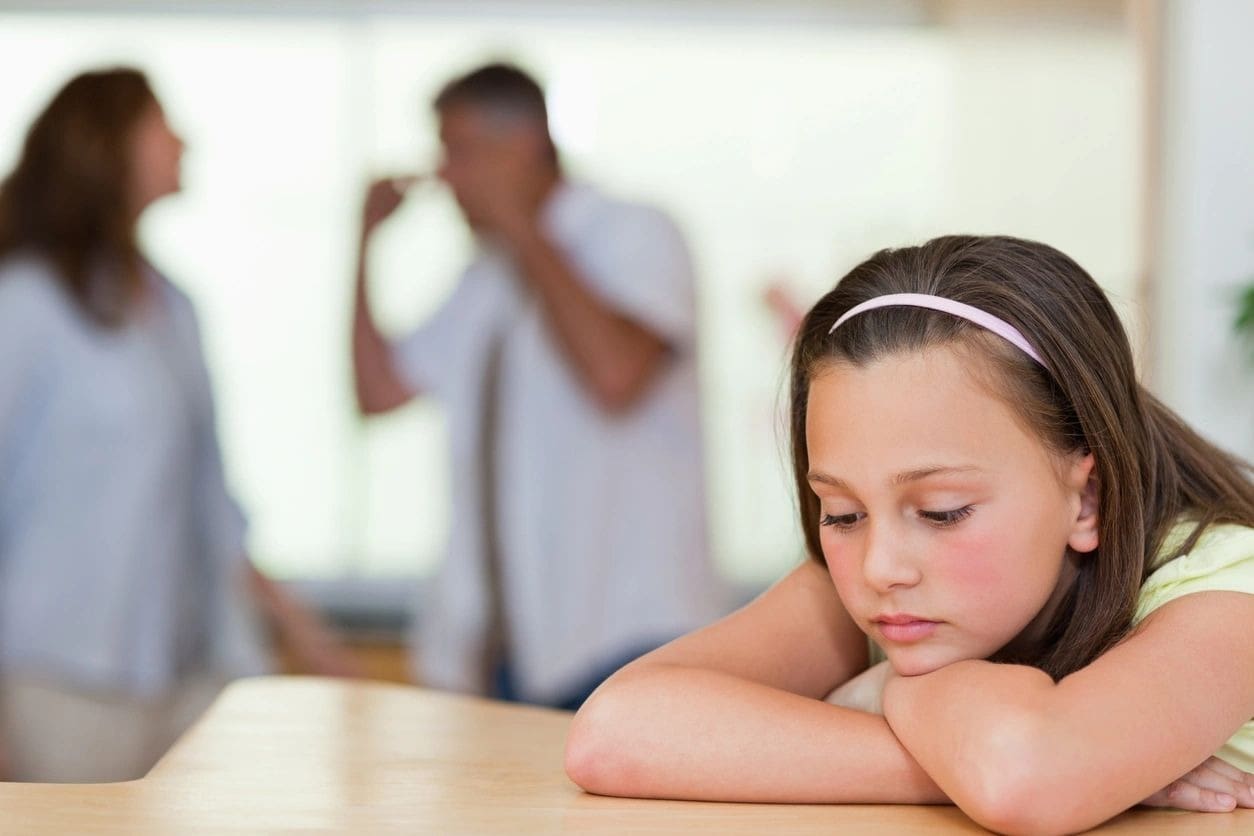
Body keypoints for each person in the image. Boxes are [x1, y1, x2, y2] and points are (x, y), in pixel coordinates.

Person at [565, 235, 1254, 833]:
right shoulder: (889, 578)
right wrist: (956, 757)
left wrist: (894, 693)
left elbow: (1025, 777)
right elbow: (615, 732)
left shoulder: (1229, 590)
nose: (880, 567)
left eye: (944, 510)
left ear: (1087, 499)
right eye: (840, 512)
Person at [0, 67, 361, 783]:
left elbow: (211, 507)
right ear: (106, 145)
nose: (183, 140)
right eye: (160, 123)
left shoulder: (171, 307)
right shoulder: (27, 304)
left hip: (184, 676)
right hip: (60, 685)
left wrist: (303, 633)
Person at [352, 63, 724, 709]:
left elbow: (614, 375)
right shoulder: (485, 278)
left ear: (522, 145)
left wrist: (523, 225)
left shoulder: (635, 232)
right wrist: (363, 246)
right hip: (513, 655)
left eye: (459, 152)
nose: (445, 177)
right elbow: (378, 392)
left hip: (631, 639)